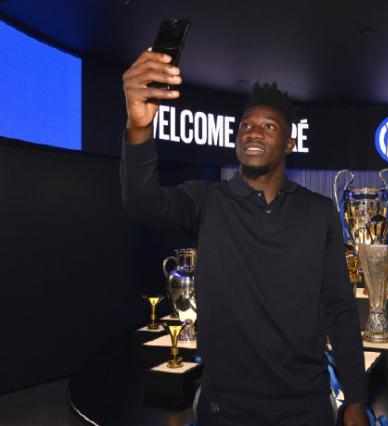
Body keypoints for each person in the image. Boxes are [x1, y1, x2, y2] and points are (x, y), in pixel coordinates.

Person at [120, 50, 368, 426]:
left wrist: (355, 399)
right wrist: (138, 128)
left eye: (268, 126)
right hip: (225, 408)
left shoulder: (319, 212)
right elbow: (142, 203)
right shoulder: (207, 201)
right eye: (246, 125)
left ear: (289, 143)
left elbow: (341, 309)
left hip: (305, 407)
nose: (253, 132)